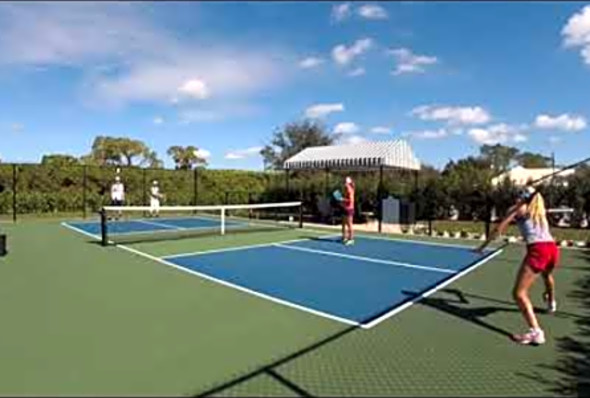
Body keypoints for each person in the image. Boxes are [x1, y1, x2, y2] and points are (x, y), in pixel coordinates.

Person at [475, 185, 559, 345]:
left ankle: (536, 332)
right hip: (552, 248)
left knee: (519, 294)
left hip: (538, 250)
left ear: (522, 196)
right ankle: (551, 303)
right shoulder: (539, 210)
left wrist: (482, 247)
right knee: (547, 275)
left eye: (518, 194)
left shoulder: (517, 209)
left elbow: (498, 229)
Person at [342, 176, 355, 246]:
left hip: (349, 209)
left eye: (345, 182)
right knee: (344, 223)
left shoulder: (349, 189)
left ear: (348, 183)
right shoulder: (346, 189)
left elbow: (350, 200)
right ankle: (345, 237)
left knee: (349, 224)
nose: (344, 183)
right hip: (345, 208)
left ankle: (351, 239)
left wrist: (343, 200)